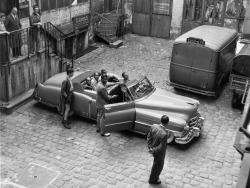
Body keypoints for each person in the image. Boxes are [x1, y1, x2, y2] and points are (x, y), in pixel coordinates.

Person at [147, 115, 169, 185]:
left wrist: (150, 147)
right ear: (167, 123)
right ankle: (153, 180)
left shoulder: (153, 126)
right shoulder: (164, 134)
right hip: (159, 153)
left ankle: (153, 178)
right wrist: (153, 150)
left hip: (153, 148)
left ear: (161, 120)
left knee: (155, 164)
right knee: (158, 166)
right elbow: (162, 146)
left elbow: (149, 137)